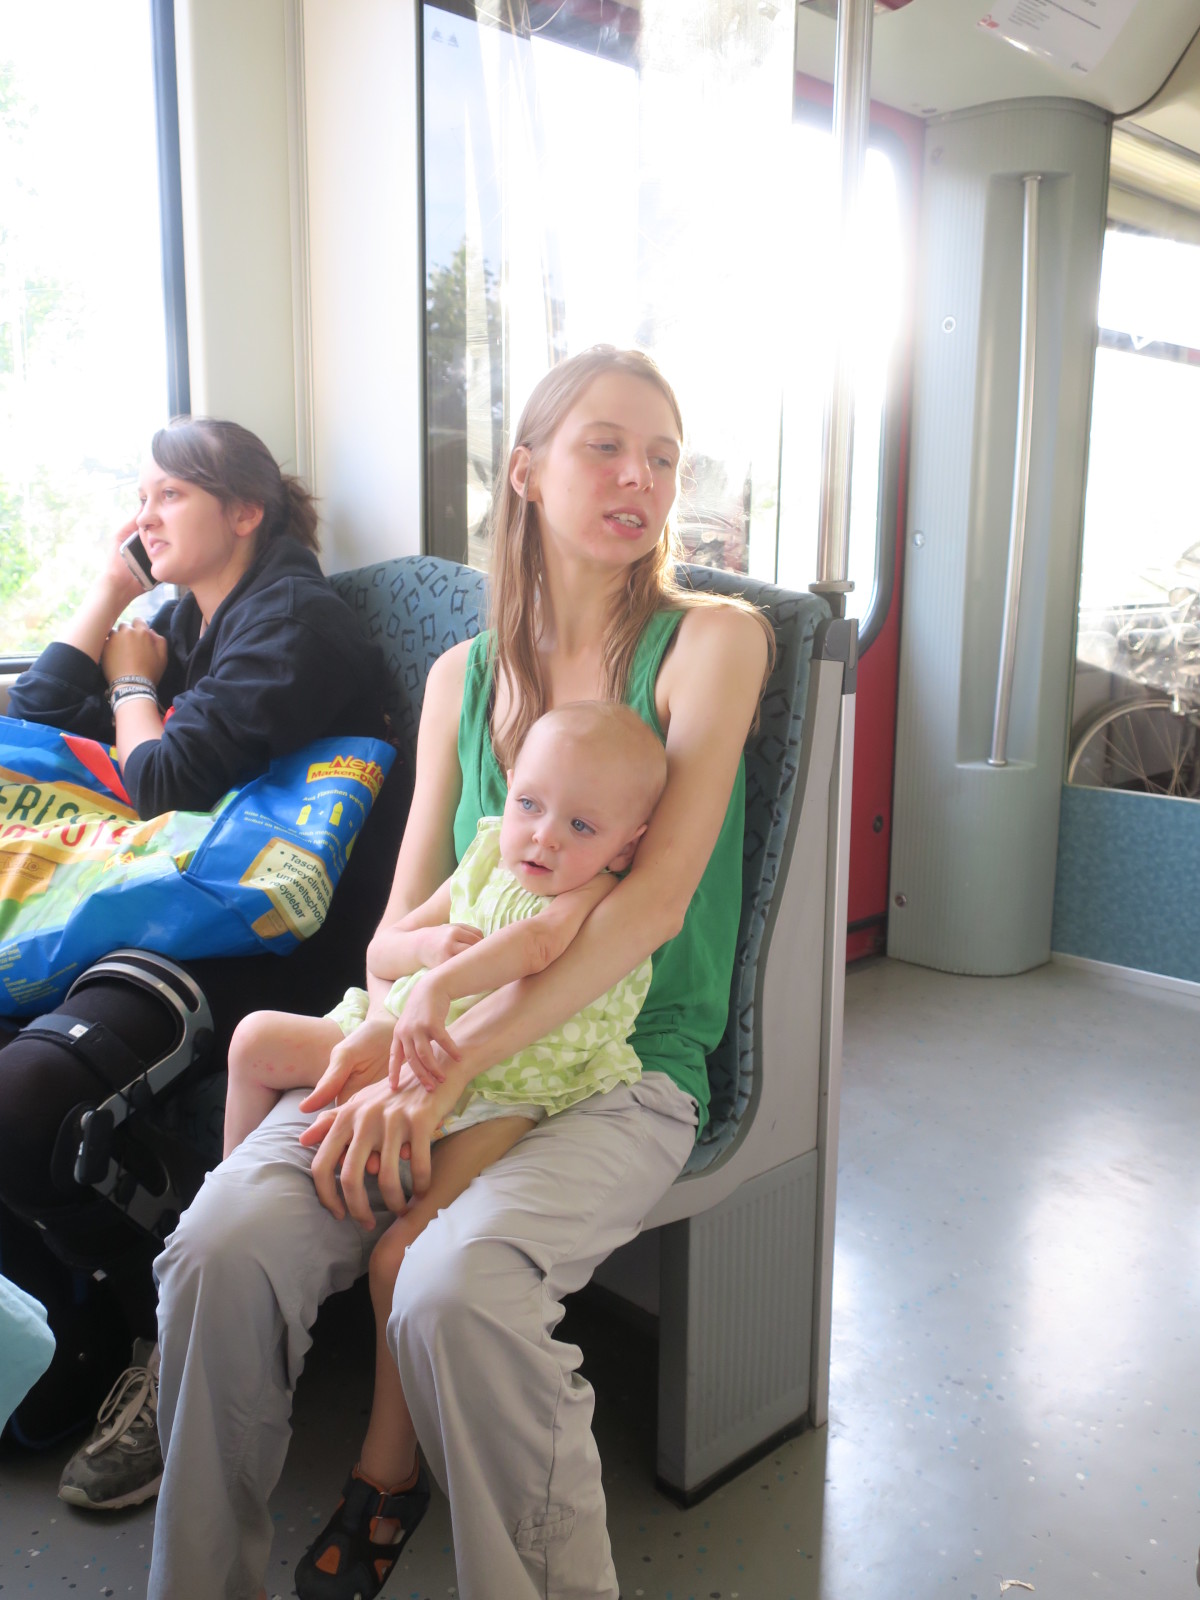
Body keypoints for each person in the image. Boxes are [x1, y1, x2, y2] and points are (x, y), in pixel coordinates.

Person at [150, 346, 774, 1600]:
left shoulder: (713, 642)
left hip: (617, 1064)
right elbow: (392, 938)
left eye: (662, 457)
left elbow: (649, 907)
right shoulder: (460, 679)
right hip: (419, 1041)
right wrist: (409, 1022)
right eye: (607, 447)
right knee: (219, 1243)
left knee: (454, 1289)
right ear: (526, 473)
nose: (642, 478)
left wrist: (444, 1063)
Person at [0, 418, 402, 1506]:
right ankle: (71, 1323)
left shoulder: (296, 621)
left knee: (25, 1103)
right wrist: (109, 591)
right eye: (139, 499)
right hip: (163, 912)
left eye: (167, 496)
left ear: (245, 511)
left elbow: (165, 779)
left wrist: (134, 684)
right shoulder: (182, 618)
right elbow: (33, 729)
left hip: (270, 946)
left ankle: (162, 1332)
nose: (145, 516)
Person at [222, 700, 667, 1599]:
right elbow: (387, 946)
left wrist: (440, 984)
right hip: (413, 1041)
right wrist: (424, 949)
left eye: (581, 826)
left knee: (402, 1256)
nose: (544, 837)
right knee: (254, 1042)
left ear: (628, 844)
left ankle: (390, 1463)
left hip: (513, 1079)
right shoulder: (490, 846)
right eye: (532, 804)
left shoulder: (593, 891)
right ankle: (244, 1200)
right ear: (511, 791)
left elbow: (537, 944)